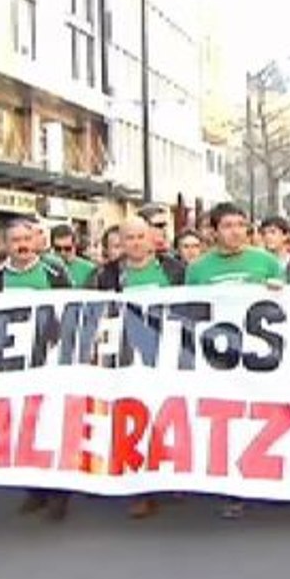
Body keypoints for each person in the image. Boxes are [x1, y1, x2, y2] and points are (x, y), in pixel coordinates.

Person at [186, 202, 284, 519]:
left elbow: (289, 306)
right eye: (228, 225)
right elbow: (189, 312)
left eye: (241, 225)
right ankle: (232, 488)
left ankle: (269, 479)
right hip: (219, 359)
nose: (236, 231)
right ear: (214, 231)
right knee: (226, 421)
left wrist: (279, 291)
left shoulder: (266, 262)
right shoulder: (198, 269)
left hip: (261, 357)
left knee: (264, 416)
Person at [88, 217, 186, 519]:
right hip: (126, 357)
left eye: (141, 236)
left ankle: (173, 475)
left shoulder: (175, 270)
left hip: (169, 354)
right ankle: (140, 490)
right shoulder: (106, 274)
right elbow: (89, 310)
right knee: (131, 419)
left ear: (152, 238)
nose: (135, 243)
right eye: (129, 238)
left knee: (169, 415)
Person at [0, 218, 75, 520]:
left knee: (53, 424)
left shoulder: (54, 272)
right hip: (15, 367)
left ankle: (59, 493)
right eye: (15, 240)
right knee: (24, 426)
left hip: (51, 361)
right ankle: (34, 489)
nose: (22, 245)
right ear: (5, 244)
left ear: (36, 241)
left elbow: (74, 311)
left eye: (27, 238)